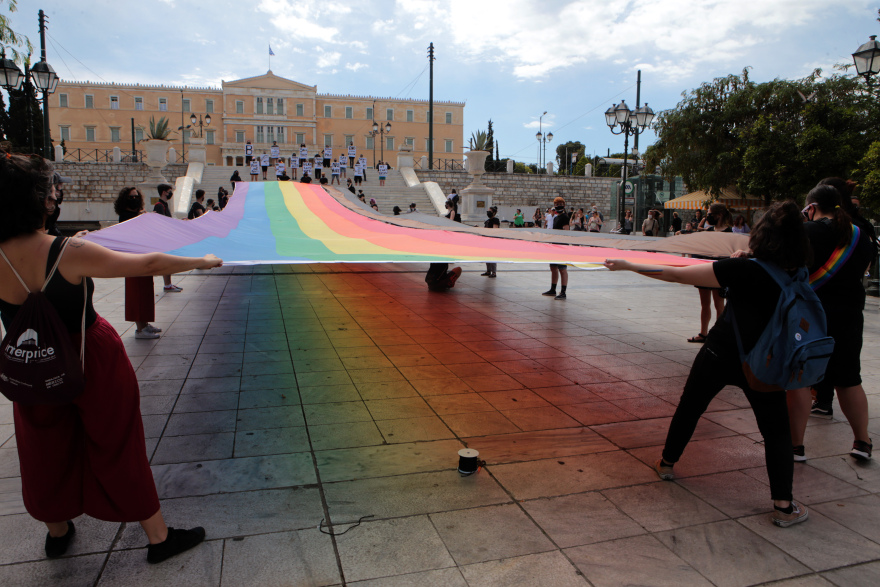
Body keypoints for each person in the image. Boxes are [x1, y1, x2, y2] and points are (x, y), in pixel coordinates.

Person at [0, 152, 221, 561]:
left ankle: (57, 530)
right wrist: (201, 260)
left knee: (42, 447)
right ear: (39, 200)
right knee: (118, 441)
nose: (55, 195)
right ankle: (157, 538)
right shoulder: (67, 252)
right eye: (50, 190)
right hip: (90, 358)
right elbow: (148, 263)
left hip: (32, 365)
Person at [604, 200, 812, 527]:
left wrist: (628, 265)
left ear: (760, 234)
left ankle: (667, 463)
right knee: (776, 432)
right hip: (763, 364)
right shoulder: (798, 275)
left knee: (690, 407)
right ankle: (783, 505)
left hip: (720, 352)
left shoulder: (742, 269)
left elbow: (674, 274)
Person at [788, 184, 874, 461]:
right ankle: (862, 442)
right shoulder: (861, 235)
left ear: (810, 208)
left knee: (799, 379)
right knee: (849, 379)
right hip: (850, 315)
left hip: (811, 316)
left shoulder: (808, 232)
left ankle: (796, 447)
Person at [114, 187, 160, 340]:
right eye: (130, 197)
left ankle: (145, 324)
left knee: (146, 291)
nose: (134, 199)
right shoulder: (125, 216)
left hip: (143, 257)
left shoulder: (137, 215)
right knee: (137, 293)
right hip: (132, 259)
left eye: (136, 196)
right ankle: (140, 329)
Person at [688, 203, 732, 343]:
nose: (707, 216)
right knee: (705, 304)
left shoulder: (728, 232)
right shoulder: (709, 230)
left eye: (709, 214)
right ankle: (704, 333)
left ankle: (718, 335)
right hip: (705, 271)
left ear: (718, 215)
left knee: (719, 305)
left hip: (719, 272)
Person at [153, 185, 183, 293]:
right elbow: (163, 222)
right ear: (164, 192)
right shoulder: (159, 205)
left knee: (168, 261)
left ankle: (168, 284)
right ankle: (167, 285)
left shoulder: (164, 205)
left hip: (167, 238)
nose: (171, 193)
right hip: (164, 239)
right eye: (169, 191)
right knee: (166, 262)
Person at [542, 197, 570, 300]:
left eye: (560, 203)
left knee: (562, 269)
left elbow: (566, 232)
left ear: (564, 205)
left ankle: (563, 291)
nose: (558, 205)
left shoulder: (565, 217)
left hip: (562, 246)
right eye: (556, 203)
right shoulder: (556, 218)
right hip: (554, 245)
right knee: (553, 267)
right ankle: (553, 289)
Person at [482, 209, 500, 278]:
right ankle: (488, 271)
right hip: (487, 240)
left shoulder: (495, 220)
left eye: (490, 211)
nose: (488, 212)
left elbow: (494, 230)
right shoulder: (487, 221)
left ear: (494, 212)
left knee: (492, 256)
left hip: (492, 240)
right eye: (487, 211)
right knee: (487, 256)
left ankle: (494, 272)